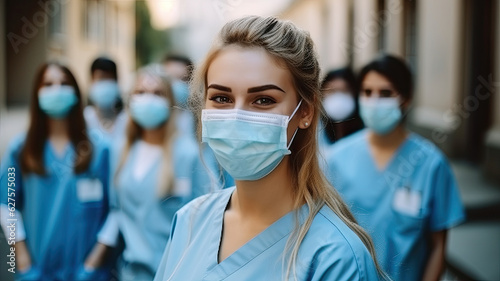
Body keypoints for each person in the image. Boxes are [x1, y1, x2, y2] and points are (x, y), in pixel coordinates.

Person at [154, 16, 388, 281]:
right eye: (221, 98)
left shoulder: (334, 257)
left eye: (263, 100)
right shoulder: (190, 221)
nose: (237, 117)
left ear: (306, 112)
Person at [324, 55, 465, 281]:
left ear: (406, 99)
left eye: (386, 93)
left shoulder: (431, 164)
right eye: (367, 92)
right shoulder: (336, 159)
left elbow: (438, 246)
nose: (375, 101)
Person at [0, 63, 113, 280]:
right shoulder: (21, 149)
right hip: (38, 271)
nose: (57, 90)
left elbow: (116, 210)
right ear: (37, 94)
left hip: (87, 273)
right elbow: (7, 206)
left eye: (64, 83)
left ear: (76, 92)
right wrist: (21, 261)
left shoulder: (100, 148)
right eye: (48, 84)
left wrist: (93, 264)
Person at [106, 65, 212, 281]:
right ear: (130, 100)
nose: (148, 99)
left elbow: (206, 221)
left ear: (170, 102)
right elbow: (116, 211)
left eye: (157, 93)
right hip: (130, 272)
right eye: (140, 92)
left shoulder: (187, 154)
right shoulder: (121, 151)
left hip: (175, 272)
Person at [318, 67, 364, 155]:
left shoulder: (366, 130)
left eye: (344, 91)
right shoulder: (314, 132)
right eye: (331, 91)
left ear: (355, 93)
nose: (338, 98)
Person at [84, 57, 127, 141]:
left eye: (109, 78)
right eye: (101, 78)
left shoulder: (126, 120)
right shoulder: (84, 119)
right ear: (92, 80)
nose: (105, 83)